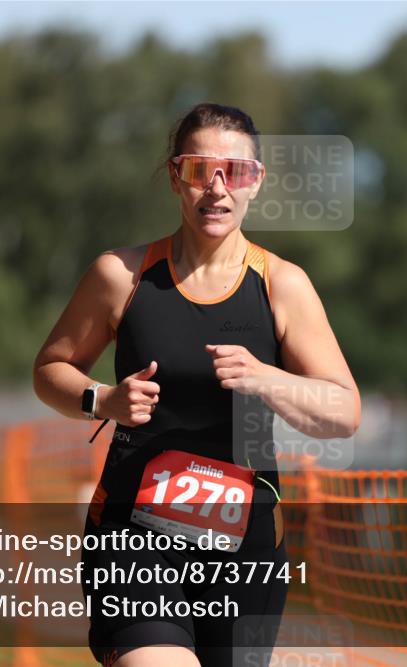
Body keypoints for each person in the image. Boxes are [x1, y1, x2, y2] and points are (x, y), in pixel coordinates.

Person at [33, 102, 360, 667]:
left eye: (235, 172)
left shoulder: (282, 285)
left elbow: (343, 411)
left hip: (247, 551)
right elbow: (50, 370)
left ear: (256, 182)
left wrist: (268, 379)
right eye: (197, 170)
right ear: (173, 177)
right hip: (135, 538)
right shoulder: (122, 275)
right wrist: (102, 400)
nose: (216, 189)